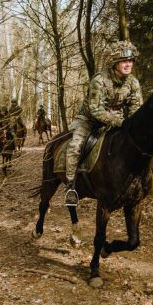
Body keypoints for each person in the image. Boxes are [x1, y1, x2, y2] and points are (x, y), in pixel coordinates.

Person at [64, 40, 143, 206]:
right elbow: (95, 110)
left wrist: (133, 125)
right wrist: (120, 122)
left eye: (130, 61)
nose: (128, 64)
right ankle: (71, 187)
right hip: (89, 121)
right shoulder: (99, 80)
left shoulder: (133, 83)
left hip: (118, 122)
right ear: (115, 62)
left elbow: (137, 109)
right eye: (124, 61)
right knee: (75, 146)